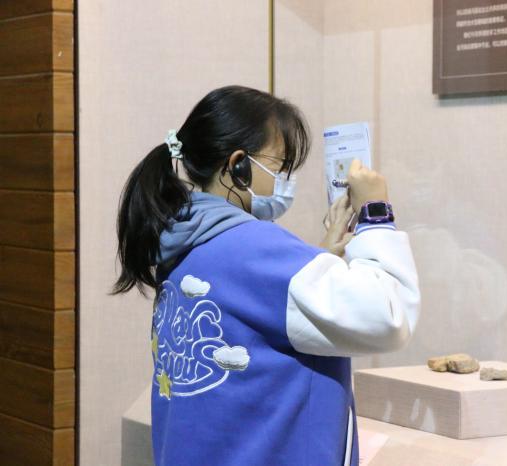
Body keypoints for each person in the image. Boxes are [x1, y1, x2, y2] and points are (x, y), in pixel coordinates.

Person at [112, 85, 420, 466]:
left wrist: (317, 258)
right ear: (238, 165)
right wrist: (375, 211)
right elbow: (390, 316)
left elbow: (254, 316)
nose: (284, 181)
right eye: (279, 167)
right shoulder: (257, 249)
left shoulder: (181, 244)